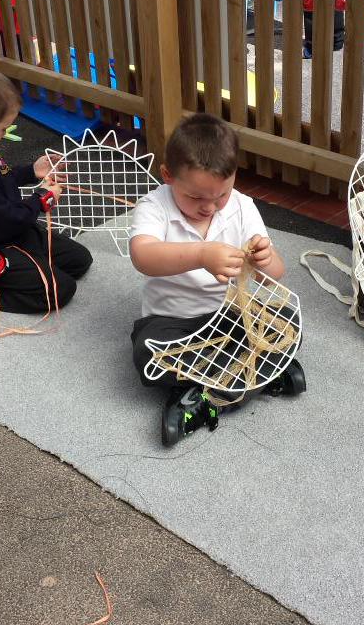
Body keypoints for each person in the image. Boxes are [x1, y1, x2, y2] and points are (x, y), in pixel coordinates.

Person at [129, 112, 306, 444]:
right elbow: (143, 256)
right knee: (146, 354)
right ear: (168, 176)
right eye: (195, 197)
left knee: (286, 322)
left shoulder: (242, 207)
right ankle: (253, 376)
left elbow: (275, 277)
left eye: (220, 196)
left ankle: (198, 394)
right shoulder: (154, 206)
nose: (209, 207)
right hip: (173, 320)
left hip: (229, 316)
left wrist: (266, 260)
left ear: (234, 177)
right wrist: (200, 254)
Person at [0, 65, 92, 313]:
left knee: (79, 260)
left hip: (10, 229)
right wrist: (42, 199)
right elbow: (6, 221)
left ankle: (29, 265)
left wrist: (31, 171)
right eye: (3, 129)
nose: (3, 135)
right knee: (59, 290)